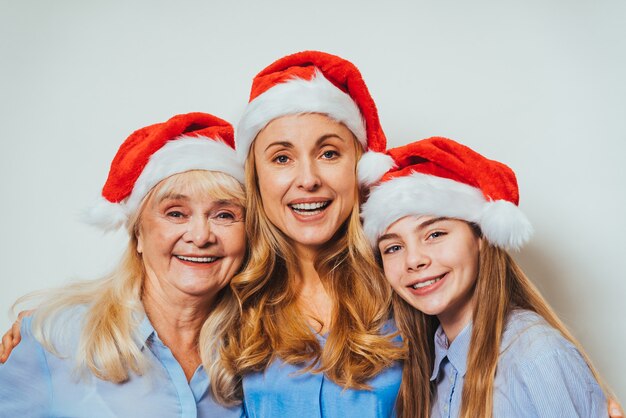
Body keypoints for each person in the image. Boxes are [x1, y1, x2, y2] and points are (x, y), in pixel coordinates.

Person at [0, 112, 246, 417]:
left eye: (224, 215)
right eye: (175, 213)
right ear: (138, 234)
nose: (200, 236)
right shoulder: (54, 340)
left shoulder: (258, 352)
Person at [360, 136, 610, 417]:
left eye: (435, 234)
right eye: (393, 247)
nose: (414, 260)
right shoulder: (429, 365)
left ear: (481, 236)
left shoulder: (536, 356)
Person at [220, 51, 406, 417]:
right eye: (282, 158)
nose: (308, 180)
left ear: (359, 166)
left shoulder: (408, 280)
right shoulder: (231, 296)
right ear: (256, 179)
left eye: (329, 153)